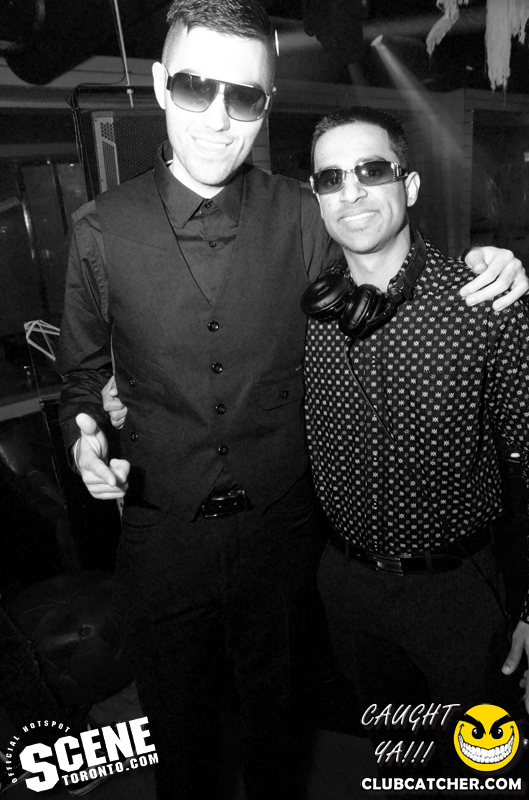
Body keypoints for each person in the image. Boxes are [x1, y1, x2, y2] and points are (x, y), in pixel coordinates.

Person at [55, 0, 527, 794]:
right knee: (183, 743)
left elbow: (383, 258)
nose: (218, 116)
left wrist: (491, 263)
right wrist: (83, 432)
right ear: (162, 84)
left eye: (242, 95)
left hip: (290, 542)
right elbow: (80, 374)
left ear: (265, 104)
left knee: (289, 732)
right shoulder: (99, 227)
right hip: (165, 542)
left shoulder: (306, 215)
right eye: (196, 86)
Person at [303, 105, 529, 778]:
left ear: (410, 185)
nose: (351, 191)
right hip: (346, 589)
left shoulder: (486, 300)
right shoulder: (309, 309)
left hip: (459, 595)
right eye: (331, 177)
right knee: (398, 762)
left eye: (371, 170)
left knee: (483, 770)